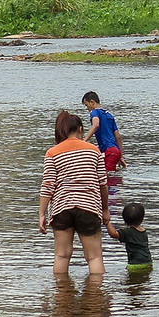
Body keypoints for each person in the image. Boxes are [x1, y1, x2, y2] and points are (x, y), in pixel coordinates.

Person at [39, 110, 110, 275]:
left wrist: (42, 213)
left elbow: (48, 185)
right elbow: (103, 184)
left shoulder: (52, 153)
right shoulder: (94, 151)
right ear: (80, 129)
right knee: (94, 257)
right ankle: (96, 291)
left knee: (61, 255)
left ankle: (61, 290)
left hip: (61, 208)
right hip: (89, 207)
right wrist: (105, 209)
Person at [82, 91, 127, 171]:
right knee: (112, 174)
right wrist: (121, 157)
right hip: (116, 151)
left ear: (92, 102)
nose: (87, 108)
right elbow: (118, 137)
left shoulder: (94, 112)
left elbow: (96, 125)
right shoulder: (109, 115)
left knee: (106, 175)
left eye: (86, 105)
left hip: (108, 150)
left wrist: (84, 141)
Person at [106, 202, 153, 272]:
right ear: (142, 219)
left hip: (135, 264)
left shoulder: (128, 232)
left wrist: (107, 223)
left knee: (130, 278)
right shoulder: (143, 231)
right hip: (148, 262)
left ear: (124, 219)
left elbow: (113, 234)